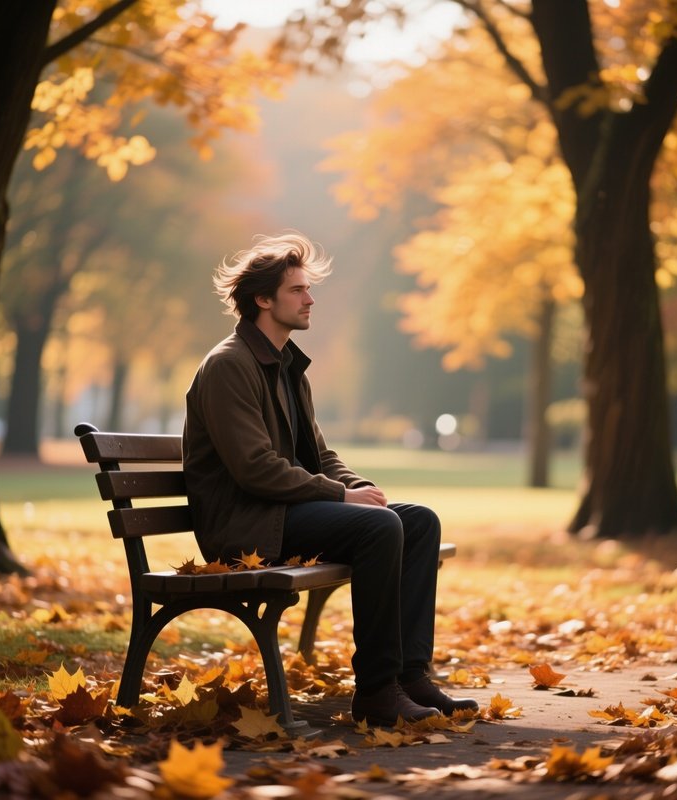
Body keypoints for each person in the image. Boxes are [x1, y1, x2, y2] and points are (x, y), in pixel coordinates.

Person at [182, 232, 478, 726]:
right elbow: (255, 468)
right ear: (263, 299)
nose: (310, 298)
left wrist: (361, 490)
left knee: (418, 521)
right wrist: (342, 496)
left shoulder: (288, 366)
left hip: (283, 514)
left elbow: (318, 455)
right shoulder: (229, 365)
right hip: (247, 526)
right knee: (380, 529)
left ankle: (410, 674)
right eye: (297, 289)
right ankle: (378, 692)